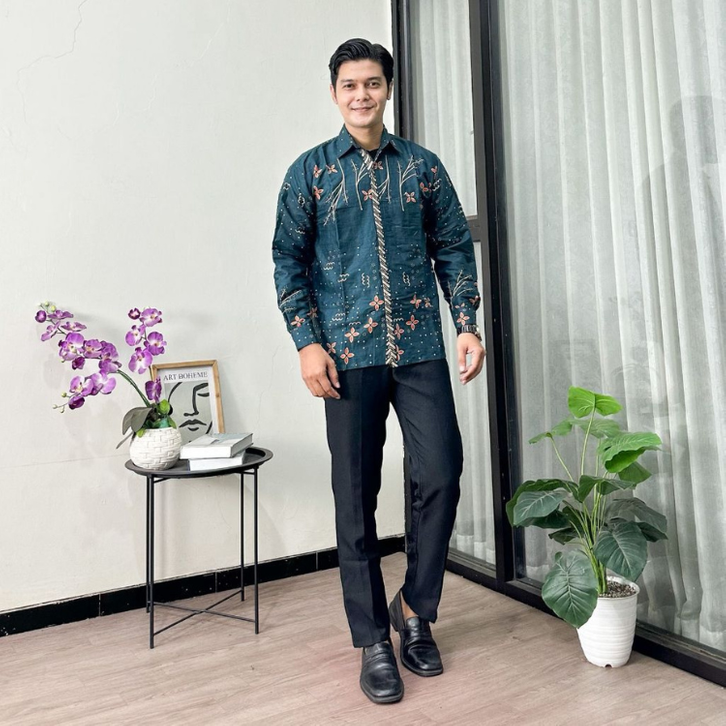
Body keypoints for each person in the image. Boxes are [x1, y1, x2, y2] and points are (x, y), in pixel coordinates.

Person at [272, 38, 485, 704]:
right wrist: (307, 343)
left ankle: (416, 610)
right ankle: (372, 640)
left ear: (388, 88)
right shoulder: (310, 173)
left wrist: (467, 323)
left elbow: (453, 246)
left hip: (419, 348)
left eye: (372, 83)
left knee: (440, 474)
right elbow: (287, 262)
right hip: (346, 355)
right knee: (355, 497)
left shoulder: (422, 168)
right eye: (349, 85)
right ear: (335, 94)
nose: (361, 95)